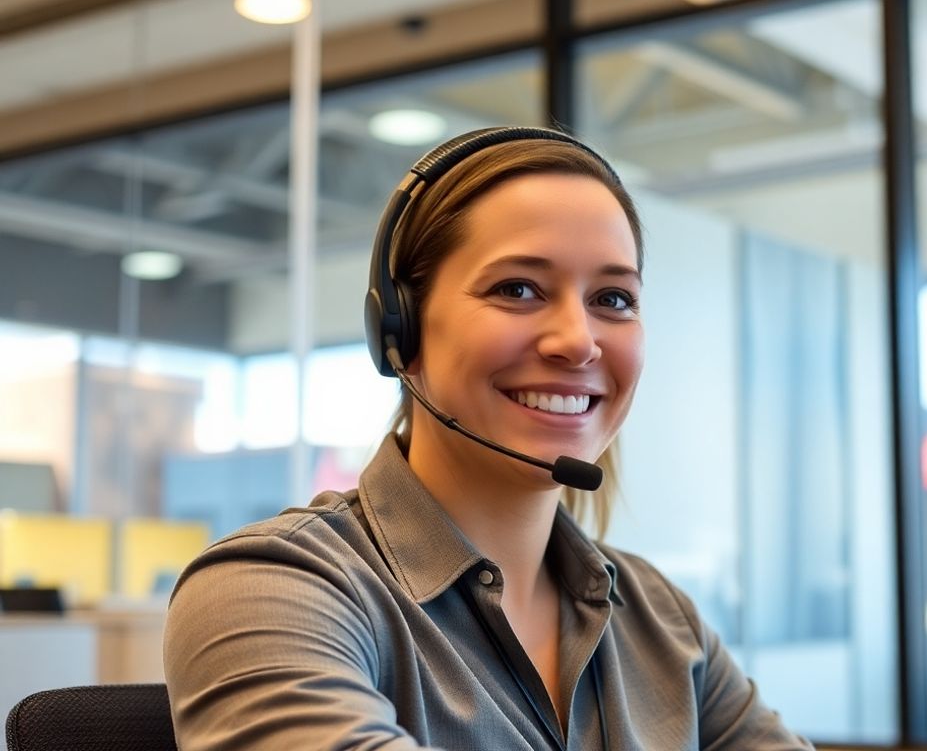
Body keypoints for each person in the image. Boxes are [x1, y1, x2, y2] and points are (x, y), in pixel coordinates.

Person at [163, 127, 811, 750]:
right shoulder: (275, 588)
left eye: (613, 298)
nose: (578, 341)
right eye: (518, 288)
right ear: (402, 334)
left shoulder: (661, 620)